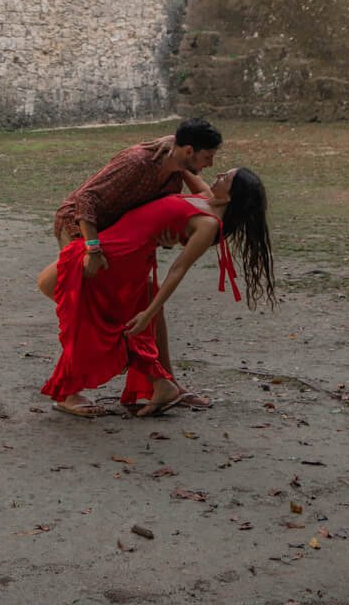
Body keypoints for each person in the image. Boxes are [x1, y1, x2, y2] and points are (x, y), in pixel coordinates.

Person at [38, 168, 275, 418]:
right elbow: (183, 166)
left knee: (71, 297)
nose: (217, 175)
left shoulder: (208, 224)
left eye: (225, 178)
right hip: (116, 244)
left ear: (230, 196)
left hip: (119, 256)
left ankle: (78, 389)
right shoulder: (205, 197)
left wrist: (148, 314)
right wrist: (169, 144)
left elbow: (177, 270)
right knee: (87, 308)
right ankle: (160, 383)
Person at [51, 118, 223, 405]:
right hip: (80, 228)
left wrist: (164, 237)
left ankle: (167, 384)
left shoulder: (175, 173)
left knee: (149, 303)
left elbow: (205, 197)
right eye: (208, 157)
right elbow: (85, 200)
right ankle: (68, 392)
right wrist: (93, 249)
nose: (211, 164)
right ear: (190, 150)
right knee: (85, 304)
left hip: (117, 237)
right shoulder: (138, 161)